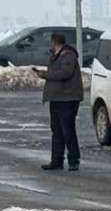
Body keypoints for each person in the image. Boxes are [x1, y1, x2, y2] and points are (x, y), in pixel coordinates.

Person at [34, 33, 83, 172]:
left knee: (68, 130)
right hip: (56, 98)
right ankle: (57, 160)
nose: (50, 45)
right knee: (56, 130)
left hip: (68, 98)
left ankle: (74, 160)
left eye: (51, 42)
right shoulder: (56, 55)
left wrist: (45, 74)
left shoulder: (68, 55)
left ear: (54, 42)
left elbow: (64, 73)